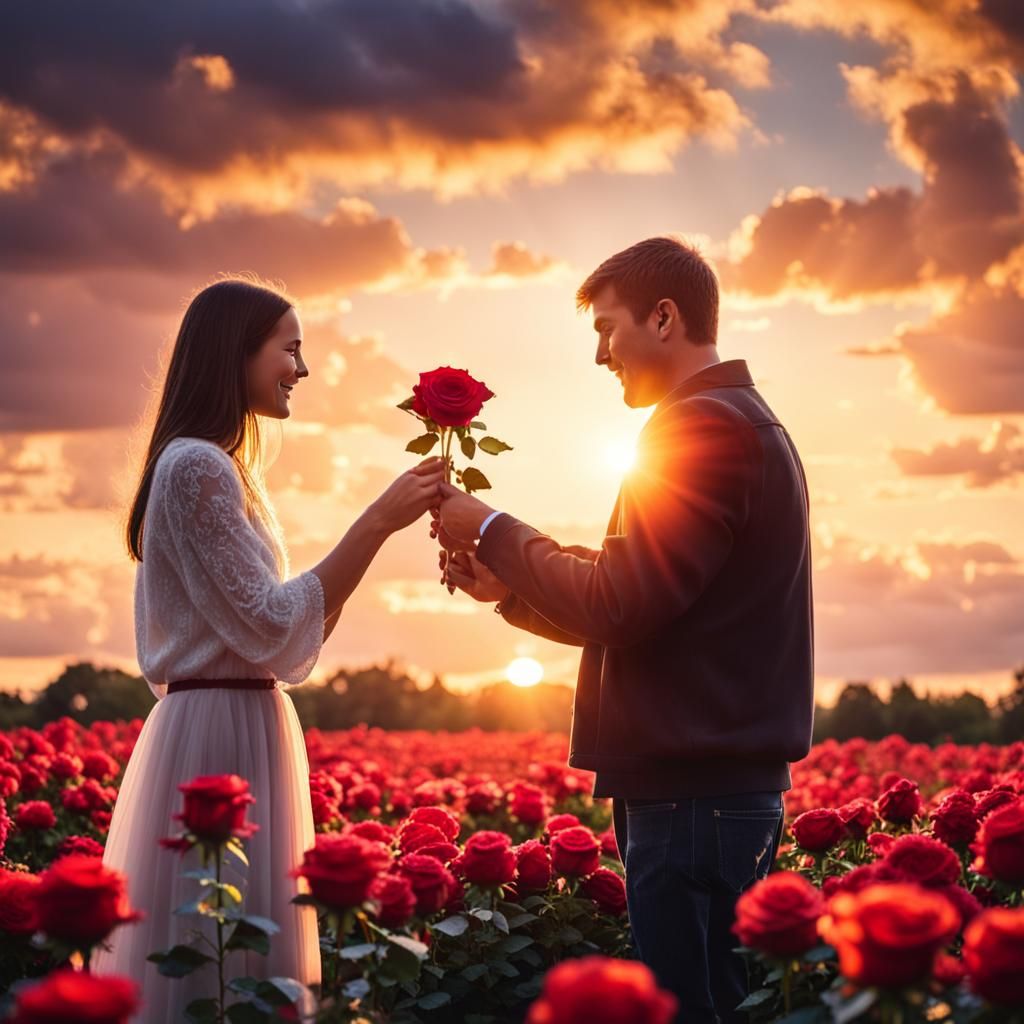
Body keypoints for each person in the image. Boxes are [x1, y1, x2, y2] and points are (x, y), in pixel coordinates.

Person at [433, 237, 814, 1024]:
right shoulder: (735, 419)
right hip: (711, 790)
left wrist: (497, 527)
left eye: (608, 329)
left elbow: (622, 601)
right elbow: (646, 602)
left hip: (694, 796)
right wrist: (512, 592)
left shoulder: (698, 428)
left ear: (664, 317)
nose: (601, 354)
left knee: (689, 1009)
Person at [91, 276, 446, 1022]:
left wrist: (368, 546)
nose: (303, 370)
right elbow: (278, 626)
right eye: (290, 348)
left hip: (237, 719)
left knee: (240, 946)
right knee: (218, 948)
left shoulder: (226, 470)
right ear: (236, 353)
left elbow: (288, 633)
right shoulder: (196, 467)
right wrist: (376, 521)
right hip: (218, 731)